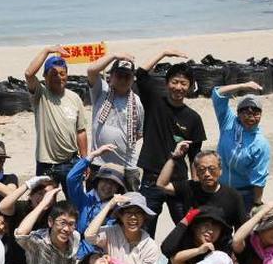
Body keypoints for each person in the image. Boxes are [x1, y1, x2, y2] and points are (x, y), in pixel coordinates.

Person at [134, 51, 206, 234]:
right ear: (167, 84)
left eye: (183, 83)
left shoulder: (193, 119)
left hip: (178, 182)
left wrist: (196, 188)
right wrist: (163, 53)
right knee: (145, 232)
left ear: (189, 87)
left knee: (187, 230)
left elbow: (195, 158)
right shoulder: (155, 102)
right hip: (151, 178)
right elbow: (141, 74)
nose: (178, 87)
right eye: (174, 82)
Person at [23, 46, 88, 192]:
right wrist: (46, 51)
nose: (59, 77)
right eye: (53, 74)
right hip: (46, 164)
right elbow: (28, 74)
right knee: (43, 206)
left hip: (71, 161)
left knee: (74, 204)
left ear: (67, 75)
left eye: (62, 73)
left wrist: (85, 160)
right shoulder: (40, 95)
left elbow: (81, 131)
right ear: (45, 77)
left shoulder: (74, 98)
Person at [85, 52, 145, 189]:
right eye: (119, 75)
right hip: (99, 163)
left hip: (127, 166)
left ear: (132, 79)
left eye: (127, 76)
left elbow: (139, 132)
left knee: (129, 207)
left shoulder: (137, 101)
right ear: (110, 77)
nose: (123, 80)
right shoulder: (101, 92)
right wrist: (114, 56)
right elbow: (91, 70)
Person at [211, 80, 270, 214]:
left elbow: (259, 178)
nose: (251, 117)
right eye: (246, 112)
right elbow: (217, 94)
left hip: (243, 196)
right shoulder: (228, 122)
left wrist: (257, 203)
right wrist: (243, 86)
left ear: (261, 115)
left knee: (243, 233)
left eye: (256, 113)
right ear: (238, 113)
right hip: (219, 189)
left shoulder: (260, 143)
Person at [156, 143, 247, 229]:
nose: (207, 174)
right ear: (197, 172)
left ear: (220, 171)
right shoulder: (189, 188)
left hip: (221, 244)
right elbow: (161, 185)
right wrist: (174, 157)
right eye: (202, 169)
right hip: (192, 244)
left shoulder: (233, 196)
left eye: (212, 169)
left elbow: (240, 232)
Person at [0, 176, 59, 264]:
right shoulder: (20, 208)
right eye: (40, 193)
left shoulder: (55, 214)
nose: (43, 198)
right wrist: (27, 184)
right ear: (30, 196)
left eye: (48, 195)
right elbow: (3, 207)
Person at [67, 143, 126, 258]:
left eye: (114, 184)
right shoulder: (83, 199)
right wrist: (92, 156)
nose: (108, 187)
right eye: (105, 181)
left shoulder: (118, 211)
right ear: (97, 181)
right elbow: (71, 179)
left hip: (98, 257)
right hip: (72, 252)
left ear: (118, 189)